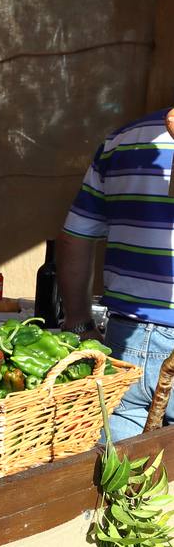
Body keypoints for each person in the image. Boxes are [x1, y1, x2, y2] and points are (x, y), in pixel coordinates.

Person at [58, 106, 174, 440]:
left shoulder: (123, 140)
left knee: (112, 477)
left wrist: (78, 323)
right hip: (131, 336)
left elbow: (75, 236)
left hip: (130, 340)